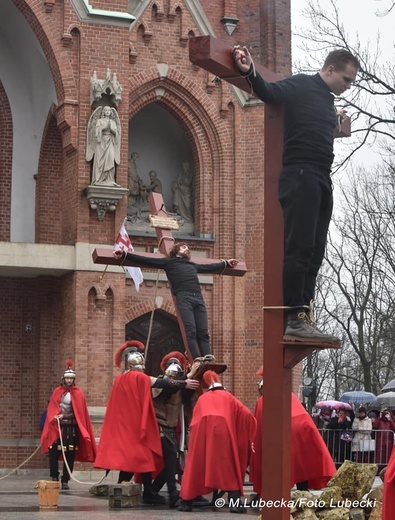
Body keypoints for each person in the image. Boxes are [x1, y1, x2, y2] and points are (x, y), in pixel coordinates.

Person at [232, 46, 360, 343]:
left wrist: (335, 120)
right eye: (346, 79)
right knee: (299, 248)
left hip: (321, 178)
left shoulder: (327, 101)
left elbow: (320, 125)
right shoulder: (302, 84)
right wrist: (248, 69)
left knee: (315, 252)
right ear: (330, 70)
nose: (347, 86)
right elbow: (270, 92)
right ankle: (294, 317)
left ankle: (305, 315)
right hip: (300, 174)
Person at [94, 340, 199, 505]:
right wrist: (184, 381)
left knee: (141, 458)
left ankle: (147, 490)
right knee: (140, 457)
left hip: (127, 424)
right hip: (139, 424)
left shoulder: (120, 379)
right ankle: (147, 491)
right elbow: (162, 384)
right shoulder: (139, 377)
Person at [113, 243, 239, 363]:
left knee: (203, 332)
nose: (187, 249)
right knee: (190, 330)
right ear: (176, 251)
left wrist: (225, 263)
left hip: (198, 298)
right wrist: (125, 254)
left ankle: (208, 358)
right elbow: (146, 260)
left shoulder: (193, 265)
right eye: (184, 247)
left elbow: (210, 267)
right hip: (184, 298)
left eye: (188, 248)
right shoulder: (169, 262)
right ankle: (197, 359)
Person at [178, 370, 256, 513]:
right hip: (223, 433)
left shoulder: (202, 398)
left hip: (201, 433)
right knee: (227, 466)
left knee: (196, 466)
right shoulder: (229, 397)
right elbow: (246, 414)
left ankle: (186, 502)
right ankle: (235, 502)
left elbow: (193, 420)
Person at [249, 367, 335, 496]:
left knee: (281, 466)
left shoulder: (263, 401)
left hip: (284, 434)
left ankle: (279, 498)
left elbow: (260, 427)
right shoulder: (291, 395)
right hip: (304, 430)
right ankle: (303, 494)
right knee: (302, 462)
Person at [148, 351, 198, 508]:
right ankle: (171, 494)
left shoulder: (181, 385)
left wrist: (197, 372)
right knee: (156, 461)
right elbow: (168, 388)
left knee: (174, 463)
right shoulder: (160, 383)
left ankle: (153, 490)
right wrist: (188, 376)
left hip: (170, 428)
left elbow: (189, 394)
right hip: (158, 425)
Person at [40, 360, 97, 490]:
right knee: (53, 452)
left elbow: (80, 414)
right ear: (63, 379)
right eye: (67, 378)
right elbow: (52, 408)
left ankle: (65, 479)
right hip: (57, 428)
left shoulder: (78, 393)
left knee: (70, 454)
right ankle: (54, 476)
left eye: (71, 378)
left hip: (71, 429)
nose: (69, 380)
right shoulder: (57, 392)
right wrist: (55, 416)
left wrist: (65, 416)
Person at [86, 105, 121, 187]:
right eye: (106, 110)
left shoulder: (113, 122)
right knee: (99, 160)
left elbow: (116, 134)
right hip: (100, 142)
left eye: (109, 110)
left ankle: (110, 180)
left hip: (110, 142)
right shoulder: (99, 121)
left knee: (111, 158)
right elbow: (96, 132)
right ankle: (99, 179)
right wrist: (105, 128)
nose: (107, 112)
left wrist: (112, 130)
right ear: (103, 112)